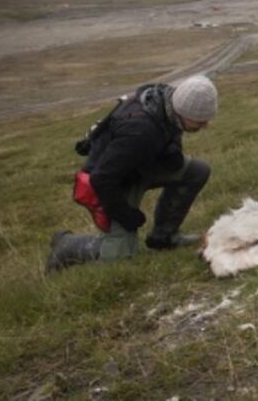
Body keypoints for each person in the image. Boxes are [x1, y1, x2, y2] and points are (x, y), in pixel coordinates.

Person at [46, 75, 218, 273]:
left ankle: (164, 238)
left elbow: (170, 130)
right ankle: (66, 246)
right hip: (114, 181)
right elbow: (101, 179)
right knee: (120, 255)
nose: (204, 125)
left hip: (140, 164)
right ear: (182, 111)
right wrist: (127, 215)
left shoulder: (168, 100)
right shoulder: (140, 131)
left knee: (197, 171)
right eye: (200, 120)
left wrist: (172, 150)